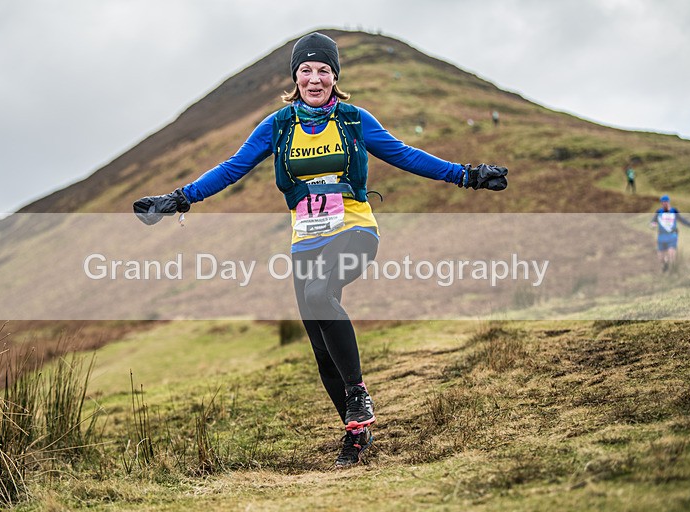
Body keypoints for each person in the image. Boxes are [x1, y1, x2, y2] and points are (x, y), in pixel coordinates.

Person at [132, 32, 508, 468]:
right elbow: (232, 168)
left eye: (324, 70)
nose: (315, 78)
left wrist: (466, 175)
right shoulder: (278, 126)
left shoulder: (353, 120)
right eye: (306, 70)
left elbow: (404, 155)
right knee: (321, 348)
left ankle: (358, 393)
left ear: (335, 77)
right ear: (295, 77)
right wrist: (180, 198)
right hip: (306, 241)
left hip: (355, 230)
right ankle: (356, 433)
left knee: (318, 293)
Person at [650, 195, 690, 272]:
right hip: (661, 236)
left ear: (668, 202)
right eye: (663, 202)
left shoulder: (674, 211)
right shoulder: (659, 212)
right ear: (661, 203)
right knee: (661, 258)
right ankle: (665, 264)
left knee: (671, 254)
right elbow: (653, 221)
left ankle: (671, 271)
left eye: (666, 202)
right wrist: (653, 224)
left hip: (672, 236)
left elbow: (681, 219)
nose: (664, 204)